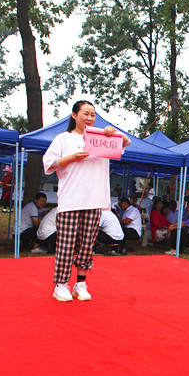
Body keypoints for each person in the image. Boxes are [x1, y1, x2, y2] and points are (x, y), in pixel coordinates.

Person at [42, 100, 131, 302]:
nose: (89, 118)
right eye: (85, 114)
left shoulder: (101, 138)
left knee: (87, 244)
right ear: (74, 115)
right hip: (71, 199)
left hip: (95, 199)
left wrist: (114, 132)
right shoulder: (63, 138)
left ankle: (80, 283)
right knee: (66, 243)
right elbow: (49, 163)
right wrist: (72, 157)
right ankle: (61, 284)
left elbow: (125, 143)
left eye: (93, 114)